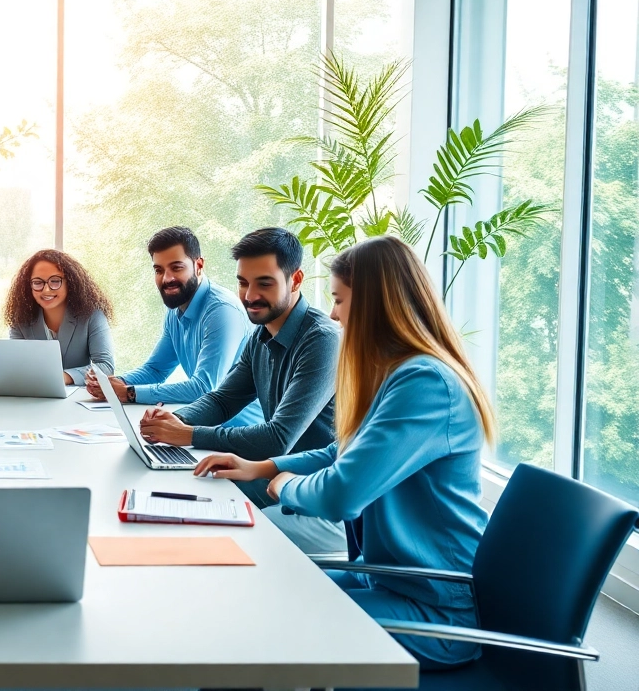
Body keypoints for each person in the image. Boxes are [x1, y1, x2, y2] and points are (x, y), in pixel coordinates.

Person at [194, 236, 493, 669]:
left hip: (435, 612)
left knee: (265, 622)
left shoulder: (426, 384)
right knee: (257, 591)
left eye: (339, 300)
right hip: (387, 581)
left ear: (375, 304)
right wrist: (261, 467)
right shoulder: (397, 373)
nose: (333, 314)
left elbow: (342, 494)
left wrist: (284, 486)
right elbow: (341, 452)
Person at [138, 227, 345, 555]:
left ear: (295, 280)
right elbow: (223, 400)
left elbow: (278, 438)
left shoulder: (322, 340)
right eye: (243, 283)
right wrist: (173, 421)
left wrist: (188, 434)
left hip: (316, 496)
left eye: (264, 283)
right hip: (273, 477)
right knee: (179, 500)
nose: (249, 296)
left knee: (216, 535)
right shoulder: (260, 336)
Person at [85, 226, 261, 427]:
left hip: (240, 433)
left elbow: (204, 387)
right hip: (204, 426)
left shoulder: (222, 311)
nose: (166, 279)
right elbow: (156, 369)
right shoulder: (176, 307)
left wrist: (129, 393)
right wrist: (112, 383)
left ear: (198, 265)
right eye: (159, 270)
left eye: (176, 268)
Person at [4, 249, 115, 384]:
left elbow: (105, 366)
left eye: (55, 281)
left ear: (70, 282)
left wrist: (63, 377)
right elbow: (17, 365)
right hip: (35, 393)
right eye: (38, 282)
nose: (46, 290)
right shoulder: (21, 319)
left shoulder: (92, 315)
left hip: (79, 394)